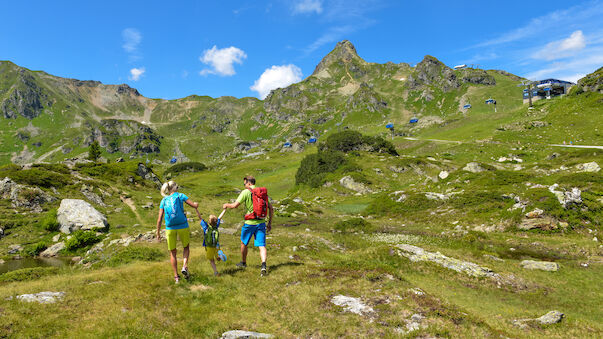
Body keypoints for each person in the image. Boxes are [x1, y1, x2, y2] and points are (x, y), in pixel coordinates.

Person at [223, 175, 273, 276]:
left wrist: (226, 205)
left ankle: (243, 262)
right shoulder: (262, 193)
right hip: (261, 223)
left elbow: (234, 205)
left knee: (244, 243)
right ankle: (263, 265)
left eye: (244, 183)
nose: (244, 185)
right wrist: (269, 223)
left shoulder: (246, 192)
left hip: (249, 223)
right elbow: (271, 208)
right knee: (261, 245)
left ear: (249, 183)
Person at [156, 180, 202, 283]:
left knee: (173, 252)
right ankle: (184, 266)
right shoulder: (180, 196)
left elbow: (159, 219)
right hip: (183, 225)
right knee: (186, 247)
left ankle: (176, 277)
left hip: (170, 228)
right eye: (177, 186)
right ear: (174, 187)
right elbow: (194, 206)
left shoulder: (164, 200)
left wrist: (158, 232)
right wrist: (196, 204)